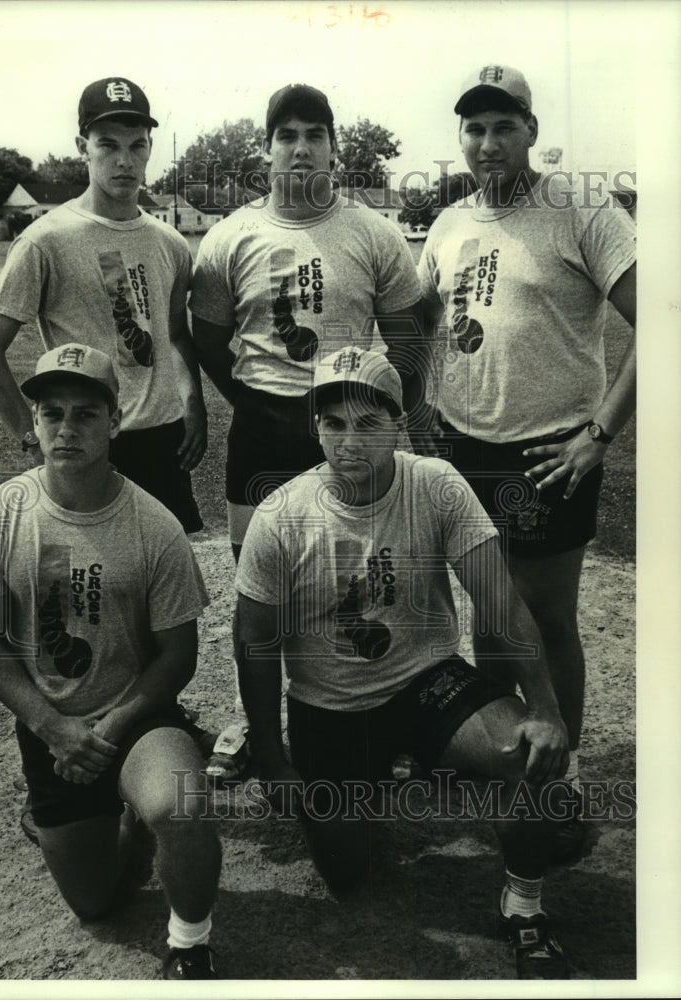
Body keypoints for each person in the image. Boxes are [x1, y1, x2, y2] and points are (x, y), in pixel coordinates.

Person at [235, 347, 573, 979]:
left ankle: (523, 908)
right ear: (316, 428)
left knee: (525, 754)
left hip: (424, 678)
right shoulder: (281, 516)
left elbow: (499, 601)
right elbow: (254, 645)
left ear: (397, 425)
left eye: (368, 423)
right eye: (333, 423)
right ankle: (398, 774)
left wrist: (547, 710)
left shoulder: (435, 484)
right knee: (349, 876)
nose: (349, 440)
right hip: (328, 702)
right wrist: (274, 759)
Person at [414, 65, 636, 860]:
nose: (486, 142)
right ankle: (500, 754)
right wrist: (422, 415)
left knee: (544, 622)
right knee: (490, 620)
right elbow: (424, 327)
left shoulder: (579, 209)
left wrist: (598, 436)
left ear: (530, 131)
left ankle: (555, 770)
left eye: (502, 125)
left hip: (548, 452)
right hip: (462, 448)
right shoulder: (446, 223)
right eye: (473, 128)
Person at [0, 344, 221, 980]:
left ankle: (191, 942)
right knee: (96, 905)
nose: (66, 429)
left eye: (85, 414)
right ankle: (118, 820)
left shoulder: (153, 524)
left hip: (136, 720)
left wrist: (106, 731)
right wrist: (55, 728)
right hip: (53, 727)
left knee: (179, 808)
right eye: (51, 414)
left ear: (115, 420)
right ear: (35, 422)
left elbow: (178, 654)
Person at [189, 83, 425, 778]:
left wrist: (391, 421)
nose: (300, 147)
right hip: (264, 429)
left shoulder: (371, 230)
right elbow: (207, 337)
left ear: (333, 146)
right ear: (266, 149)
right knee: (259, 591)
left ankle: (385, 712)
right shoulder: (230, 235)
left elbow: (407, 338)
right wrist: (251, 396)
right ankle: (259, 725)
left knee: (363, 577)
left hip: (352, 426)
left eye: (313, 133)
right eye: (285, 134)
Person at [0, 76, 207, 534]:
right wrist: (32, 437)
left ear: (149, 148)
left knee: (166, 588)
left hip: (162, 440)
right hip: (87, 436)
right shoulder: (45, 240)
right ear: (83, 146)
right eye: (107, 145)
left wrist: (193, 402)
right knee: (90, 583)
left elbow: (176, 334)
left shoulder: (172, 244)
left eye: (137, 146)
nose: (124, 160)